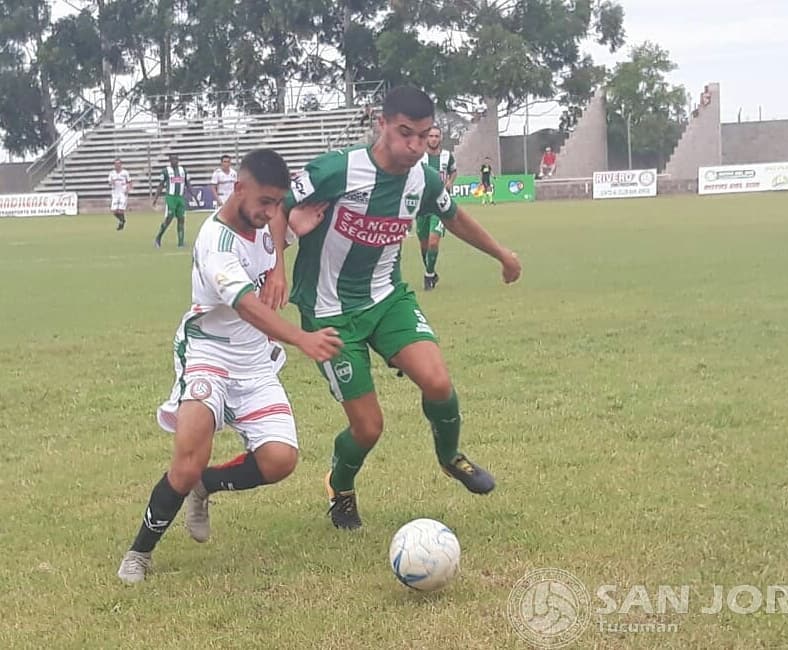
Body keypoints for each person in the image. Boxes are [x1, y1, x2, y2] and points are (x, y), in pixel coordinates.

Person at [264, 85, 522, 530]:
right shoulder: (337, 169)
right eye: (406, 133)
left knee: (438, 382)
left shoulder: (423, 179)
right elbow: (276, 206)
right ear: (380, 123)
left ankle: (449, 457)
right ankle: (340, 488)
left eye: (425, 136)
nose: (415, 146)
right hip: (330, 313)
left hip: (387, 299)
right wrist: (277, 268)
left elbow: (454, 216)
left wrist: (502, 254)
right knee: (368, 427)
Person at [117, 149, 343, 584]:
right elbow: (246, 306)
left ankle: (207, 486)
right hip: (209, 357)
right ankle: (139, 553)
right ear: (238, 189)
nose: (272, 212)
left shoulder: (263, 221)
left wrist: (281, 256)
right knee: (186, 460)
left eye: (278, 202)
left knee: (280, 461)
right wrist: (301, 338)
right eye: (265, 202)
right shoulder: (215, 243)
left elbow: (276, 230)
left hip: (255, 364)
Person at [417, 125, 457, 291]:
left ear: (440, 138)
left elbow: (453, 171)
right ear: (427, 138)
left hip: (440, 204)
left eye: (436, 136)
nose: (433, 138)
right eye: (431, 136)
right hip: (421, 205)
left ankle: (428, 276)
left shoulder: (447, 156)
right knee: (424, 244)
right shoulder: (419, 157)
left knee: (434, 242)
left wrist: (449, 182)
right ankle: (432, 272)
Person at [153, 153, 190, 248]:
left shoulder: (183, 170)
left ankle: (181, 243)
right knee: (169, 217)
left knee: (181, 219)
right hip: (171, 197)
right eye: (172, 160)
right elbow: (161, 185)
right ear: (170, 161)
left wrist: (193, 195)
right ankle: (158, 238)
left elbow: (188, 184)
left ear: (178, 160)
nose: (174, 161)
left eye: (176, 160)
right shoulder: (165, 171)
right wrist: (156, 198)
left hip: (180, 198)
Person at [108, 158, 132, 231]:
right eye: (116, 164)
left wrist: (128, 189)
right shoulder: (112, 173)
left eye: (118, 164)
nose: (117, 165)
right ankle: (122, 220)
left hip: (122, 193)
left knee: (121, 210)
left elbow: (130, 182)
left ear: (121, 164)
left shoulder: (125, 173)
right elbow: (109, 182)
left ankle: (121, 223)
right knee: (114, 211)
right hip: (115, 193)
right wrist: (112, 182)